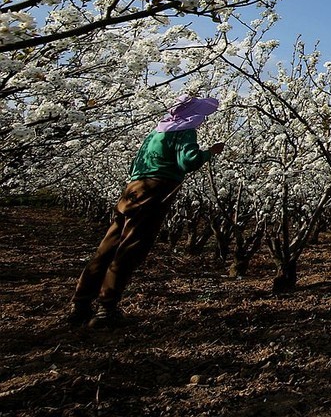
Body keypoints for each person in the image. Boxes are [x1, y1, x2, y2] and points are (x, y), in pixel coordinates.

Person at [68, 94, 225, 329]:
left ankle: (80, 304)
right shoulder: (184, 131)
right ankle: (106, 309)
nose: (202, 120)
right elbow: (189, 162)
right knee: (131, 248)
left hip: (131, 190)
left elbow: (135, 165)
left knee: (107, 246)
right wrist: (210, 152)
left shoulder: (156, 132)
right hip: (154, 191)